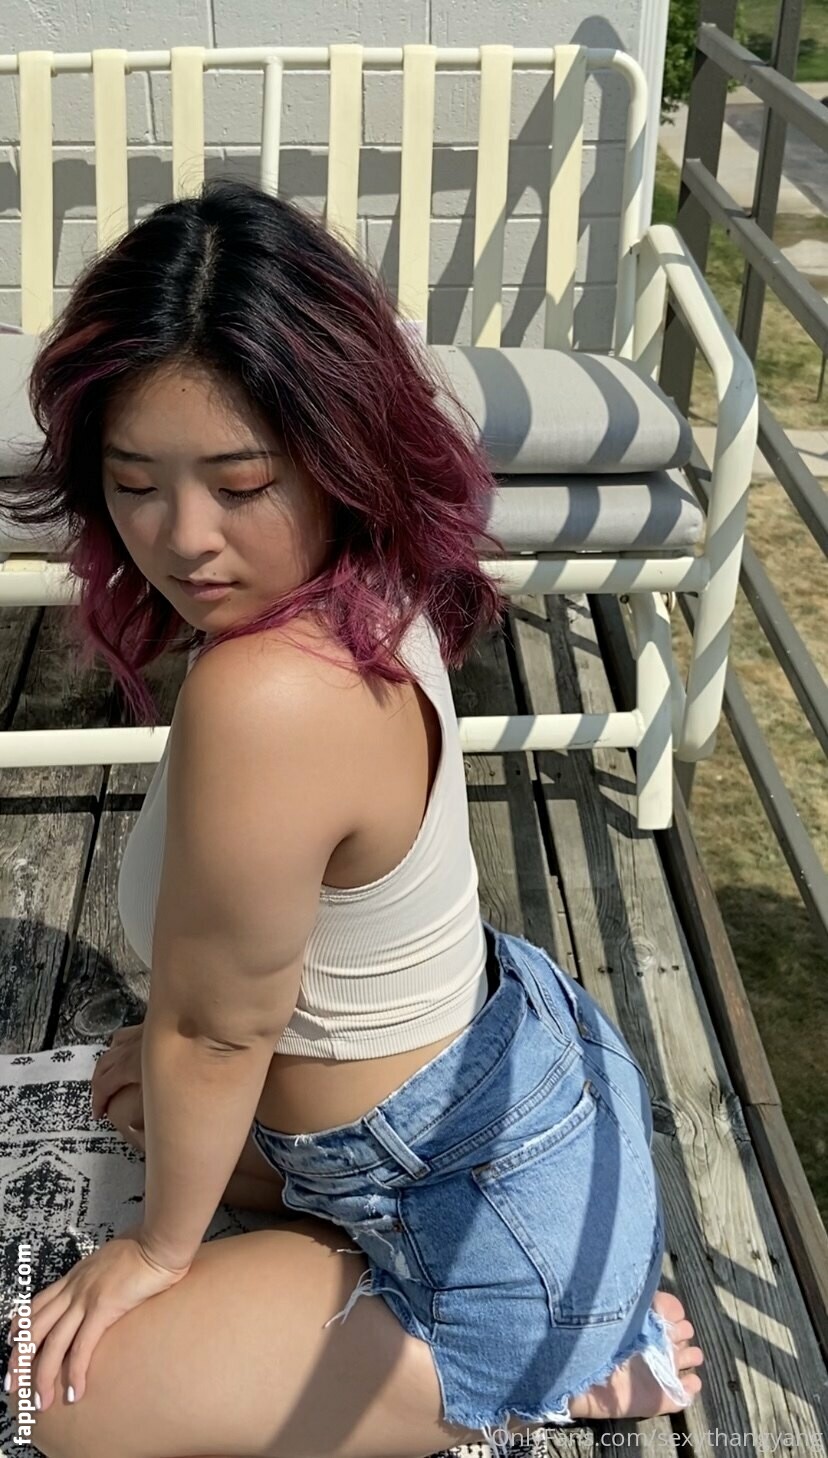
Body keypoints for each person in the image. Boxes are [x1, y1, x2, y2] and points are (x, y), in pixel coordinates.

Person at [2, 179, 703, 1458]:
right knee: (138, 1091)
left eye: (241, 483)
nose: (184, 538)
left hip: (473, 1214)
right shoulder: (366, 581)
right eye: (135, 482)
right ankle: (548, 1314)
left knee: (58, 1400)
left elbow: (221, 1025)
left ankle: (558, 1356)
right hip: (494, 1087)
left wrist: (156, 1253)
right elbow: (221, 1002)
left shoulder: (271, 693)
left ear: (337, 454)